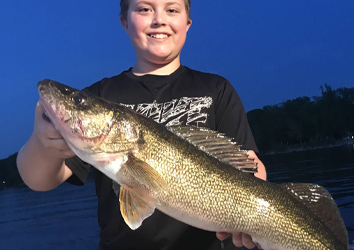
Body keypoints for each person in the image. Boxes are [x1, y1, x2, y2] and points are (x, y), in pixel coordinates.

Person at [17, 0, 267, 249]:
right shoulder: (103, 94)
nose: (159, 19)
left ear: (187, 23)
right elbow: (39, 180)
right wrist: (43, 143)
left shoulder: (216, 89)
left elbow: (248, 164)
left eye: (172, 9)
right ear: (125, 21)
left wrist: (256, 217)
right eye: (145, 9)